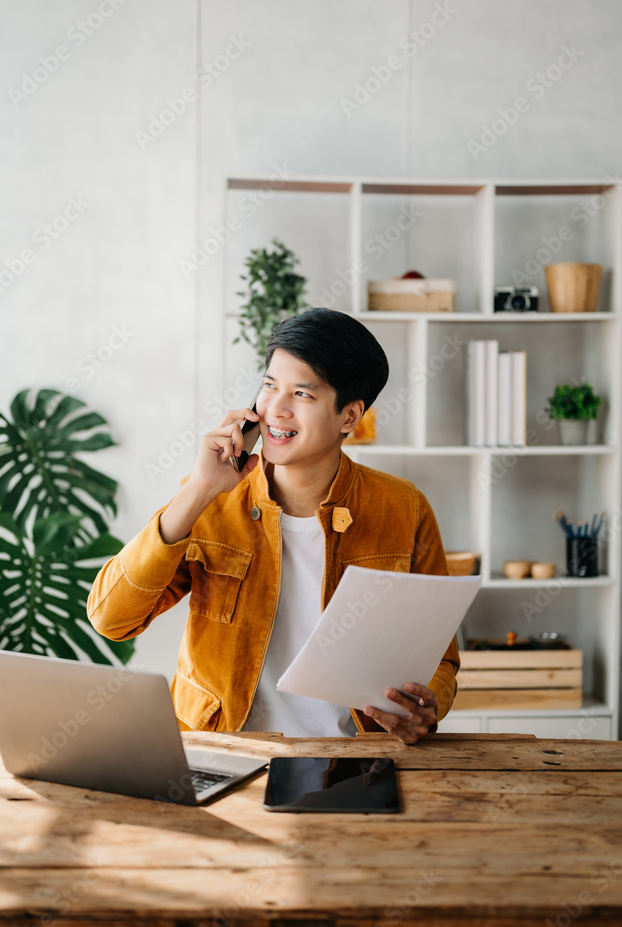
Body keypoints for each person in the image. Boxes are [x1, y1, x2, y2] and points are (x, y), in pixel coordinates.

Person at [87, 308, 459, 744]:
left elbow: (439, 657)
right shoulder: (210, 498)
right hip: (223, 750)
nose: (276, 409)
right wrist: (199, 490)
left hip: (353, 757)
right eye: (269, 386)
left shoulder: (403, 508)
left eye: (302, 394)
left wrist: (426, 702)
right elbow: (110, 618)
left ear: (349, 416)